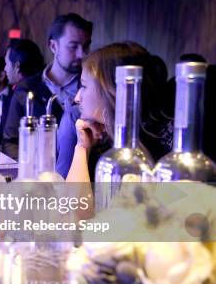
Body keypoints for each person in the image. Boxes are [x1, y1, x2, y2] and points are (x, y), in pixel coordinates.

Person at [66, 41, 173, 183]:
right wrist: (82, 148)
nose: (77, 98)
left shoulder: (170, 141)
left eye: (84, 86)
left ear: (112, 90)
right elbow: (73, 204)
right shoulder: (96, 136)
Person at [2, 14, 92, 165]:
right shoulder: (27, 90)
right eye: (73, 46)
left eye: (86, 46)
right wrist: (31, 167)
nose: (81, 54)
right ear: (53, 46)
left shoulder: (90, 90)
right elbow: (10, 142)